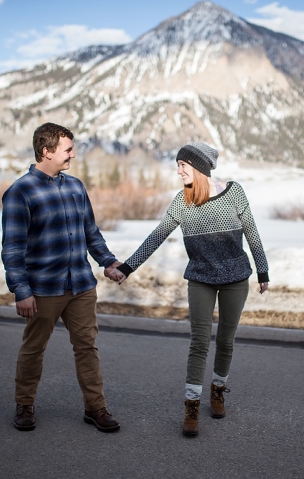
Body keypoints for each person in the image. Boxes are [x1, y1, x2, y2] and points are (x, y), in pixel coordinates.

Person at [112, 142, 269, 437]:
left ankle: (218, 390)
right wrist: (127, 267)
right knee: (199, 342)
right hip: (200, 278)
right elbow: (156, 236)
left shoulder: (234, 192)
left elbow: (252, 232)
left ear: (198, 166)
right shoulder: (181, 202)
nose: (178, 170)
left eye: (183, 165)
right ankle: (192, 408)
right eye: (178, 165)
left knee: (225, 339)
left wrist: (263, 270)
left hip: (236, 278)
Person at [1, 122, 123, 432]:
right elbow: (13, 249)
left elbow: (90, 233)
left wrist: (107, 262)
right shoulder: (20, 192)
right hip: (43, 289)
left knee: (87, 348)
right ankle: (25, 405)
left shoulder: (75, 186)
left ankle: (96, 408)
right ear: (47, 151)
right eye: (67, 149)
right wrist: (21, 290)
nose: (72, 154)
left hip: (81, 285)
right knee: (33, 349)